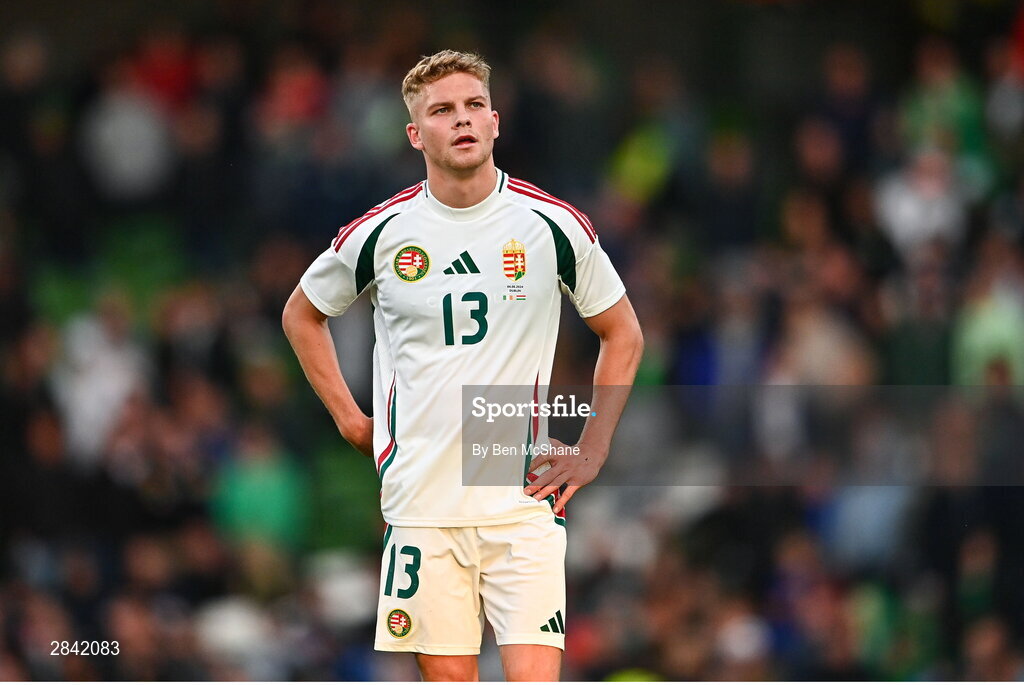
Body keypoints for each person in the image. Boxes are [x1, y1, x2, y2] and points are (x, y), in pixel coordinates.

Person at [282, 50, 643, 681]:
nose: (463, 120)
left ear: (496, 121)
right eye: (443, 110)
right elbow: (301, 313)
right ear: (415, 134)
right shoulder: (381, 233)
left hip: (521, 497)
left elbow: (624, 333)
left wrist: (592, 450)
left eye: (474, 105)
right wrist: (349, 416)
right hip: (421, 501)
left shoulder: (551, 225)